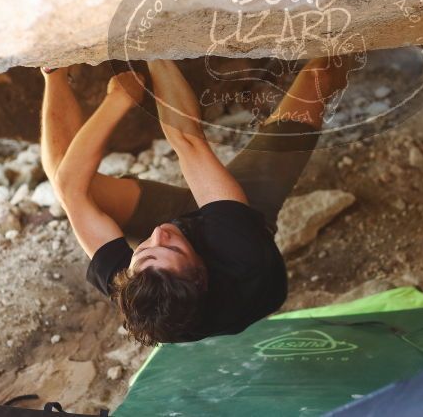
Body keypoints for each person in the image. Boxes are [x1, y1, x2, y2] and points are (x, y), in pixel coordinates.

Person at [40, 56, 355, 346]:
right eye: (172, 248)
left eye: (145, 248)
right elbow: (188, 141)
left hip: (192, 241)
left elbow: (71, 189)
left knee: (68, 182)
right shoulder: (237, 250)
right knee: (319, 74)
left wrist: (118, 100)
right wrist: (148, 51)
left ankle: (54, 70)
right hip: (239, 227)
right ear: (200, 272)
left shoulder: (137, 281)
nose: (159, 233)